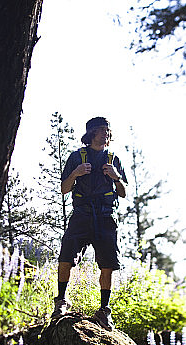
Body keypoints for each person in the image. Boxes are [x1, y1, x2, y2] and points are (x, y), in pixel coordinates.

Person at [52, 116, 127, 329]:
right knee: (66, 257)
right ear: (91, 133)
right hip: (81, 215)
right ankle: (61, 302)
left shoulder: (114, 159)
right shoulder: (76, 157)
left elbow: (122, 193)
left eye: (108, 130)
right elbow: (64, 189)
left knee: (108, 265)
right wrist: (75, 173)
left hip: (106, 217)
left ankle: (104, 311)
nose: (106, 134)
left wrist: (116, 177)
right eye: (102, 130)